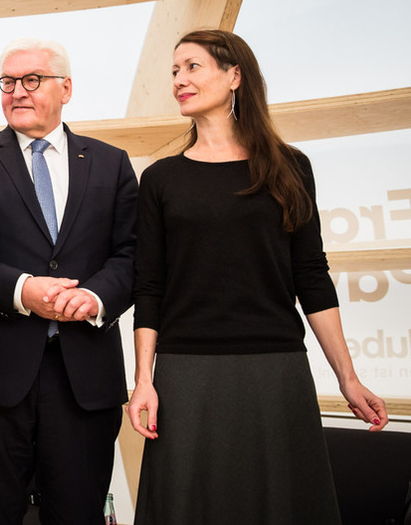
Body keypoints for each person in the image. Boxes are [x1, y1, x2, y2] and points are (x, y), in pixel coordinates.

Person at [127, 29, 389, 524]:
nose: (180, 80)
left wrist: (348, 378)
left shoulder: (291, 167)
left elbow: (312, 277)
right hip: (187, 372)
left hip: (276, 370)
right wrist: (144, 380)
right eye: (175, 71)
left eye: (192, 67)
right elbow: (150, 286)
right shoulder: (161, 178)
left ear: (234, 76)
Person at [0, 38, 138, 524]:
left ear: (65, 88)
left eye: (32, 80)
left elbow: (133, 254)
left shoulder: (111, 162)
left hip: (84, 380)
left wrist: (95, 297)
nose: (18, 92)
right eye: (8, 82)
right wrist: (22, 291)